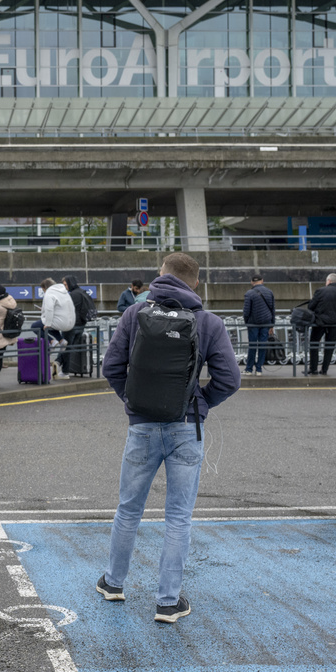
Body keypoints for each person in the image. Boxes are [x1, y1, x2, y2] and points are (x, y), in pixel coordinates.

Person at [96, 252, 240, 621]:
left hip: (142, 426)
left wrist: (132, 401)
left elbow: (111, 367)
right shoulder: (208, 322)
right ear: (195, 282)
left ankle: (113, 583)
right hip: (184, 427)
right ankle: (168, 602)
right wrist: (200, 403)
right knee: (178, 515)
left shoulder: (134, 314)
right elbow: (229, 381)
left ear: (160, 276)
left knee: (128, 508)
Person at [306, 273, 336, 377]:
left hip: (320, 322)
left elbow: (311, 306)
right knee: (329, 346)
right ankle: (324, 369)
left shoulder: (321, 291)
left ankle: (313, 369)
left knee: (314, 343)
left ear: (329, 281)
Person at [241, 273, 275, 377]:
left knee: (252, 346)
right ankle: (259, 369)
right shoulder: (269, 292)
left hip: (253, 324)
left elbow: (246, 311)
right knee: (262, 345)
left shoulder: (249, 293)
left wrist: (247, 322)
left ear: (252, 282)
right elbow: (272, 309)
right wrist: (272, 324)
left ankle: (249, 369)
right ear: (262, 281)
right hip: (266, 323)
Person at [33, 276, 74, 349]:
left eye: (43, 290)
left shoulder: (49, 293)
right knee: (47, 325)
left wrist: (48, 324)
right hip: (70, 323)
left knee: (35, 326)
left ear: (46, 288)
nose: (44, 292)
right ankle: (61, 340)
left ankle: (51, 341)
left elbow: (49, 309)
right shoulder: (63, 292)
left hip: (61, 322)